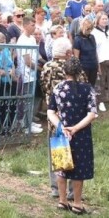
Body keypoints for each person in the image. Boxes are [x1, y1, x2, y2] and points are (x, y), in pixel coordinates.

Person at [47, 56, 96, 215]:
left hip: (61, 132)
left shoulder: (58, 88)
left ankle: (62, 201)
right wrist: (75, 128)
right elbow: (92, 114)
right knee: (78, 169)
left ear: (64, 71)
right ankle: (77, 203)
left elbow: (50, 112)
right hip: (80, 134)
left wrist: (61, 126)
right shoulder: (87, 88)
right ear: (79, 71)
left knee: (62, 167)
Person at [41, 38, 84, 200]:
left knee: (57, 152)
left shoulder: (46, 67)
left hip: (54, 118)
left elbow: (44, 87)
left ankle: (56, 190)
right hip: (74, 119)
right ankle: (73, 192)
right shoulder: (74, 70)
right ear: (67, 53)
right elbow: (83, 89)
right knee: (75, 154)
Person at [73, 18, 98, 86]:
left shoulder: (92, 37)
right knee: (84, 85)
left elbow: (95, 51)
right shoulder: (77, 39)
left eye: (91, 29)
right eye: (88, 29)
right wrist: (78, 69)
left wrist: (98, 65)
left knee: (92, 85)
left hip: (93, 65)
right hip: (84, 67)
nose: (89, 31)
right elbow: (76, 56)